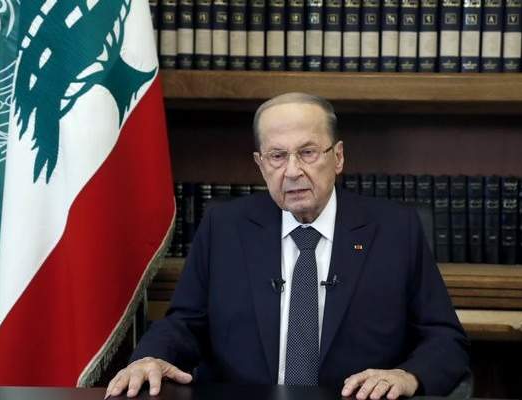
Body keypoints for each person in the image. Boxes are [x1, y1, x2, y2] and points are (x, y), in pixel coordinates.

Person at [105, 93, 469, 399]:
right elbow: (184, 324)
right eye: (277, 156)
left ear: (338, 157)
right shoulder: (224, 227)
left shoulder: (394, 229)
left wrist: (408, 376)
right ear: (260, 164)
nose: (292, 171)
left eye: (307, 152)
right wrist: (150, 357)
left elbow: (445, 339)